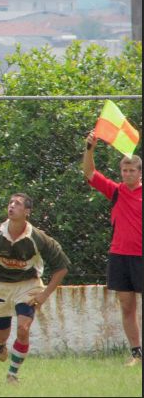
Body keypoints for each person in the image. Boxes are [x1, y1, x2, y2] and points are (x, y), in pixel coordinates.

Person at [0, 193, 70, 384]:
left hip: (28, 285)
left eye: (17, 204)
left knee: (23, 329)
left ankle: (13, 374)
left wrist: (44, 294)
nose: (12, 206)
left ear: (27, 212)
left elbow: (61, 267)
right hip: (1, 286)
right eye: (10, 203)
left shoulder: (38, 237)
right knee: (3, 334)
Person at [82, 130, 142, 366]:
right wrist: (90, 149)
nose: (127, 174)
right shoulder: (115, 191)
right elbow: (89, 172)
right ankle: (136, 353)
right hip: (119, 256)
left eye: (132, 170)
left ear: (139, 172)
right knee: (127, 306)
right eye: (124, 170)